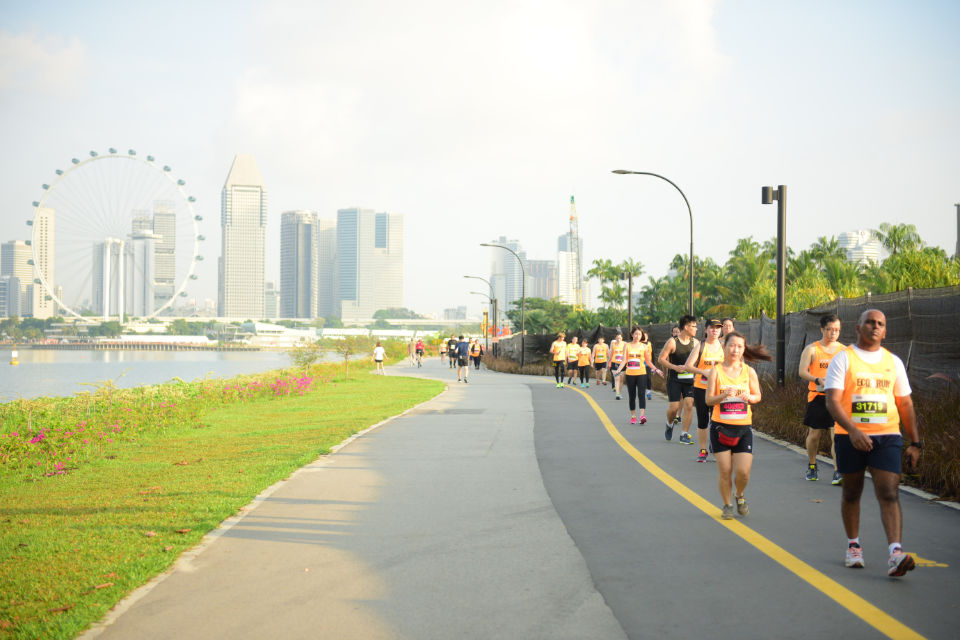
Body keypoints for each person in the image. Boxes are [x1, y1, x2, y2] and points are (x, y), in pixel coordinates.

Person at [825, 309, 920, 577]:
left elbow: (905, 403)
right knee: (852, 492)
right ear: (858, 327)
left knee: (888, 491)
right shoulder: (843, 359)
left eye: (880, 324)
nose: (875, 327)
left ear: (885, 331)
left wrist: (916, 442)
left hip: (887, 436)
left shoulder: (894, 362)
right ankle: (853, 546)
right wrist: (853, 430)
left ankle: (895, 553)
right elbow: (832, 400)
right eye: (870, 322)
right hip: (849, 436)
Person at [705, 331, 771, 519]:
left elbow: (758, 396)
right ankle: (727, 505)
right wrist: (723, 396)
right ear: (724, 347)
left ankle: (739, 494)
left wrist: (749, 397)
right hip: (720, 428)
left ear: (743, 349)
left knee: (743, 473)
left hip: (743, 428)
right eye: (732, 345)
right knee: (725, 471)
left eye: (740, 346)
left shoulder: (749, 371)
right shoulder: (715, 371)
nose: (735, 350)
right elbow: (709, 400)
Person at [799, 314, 843, 483]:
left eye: (837, 330)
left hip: (837, 398)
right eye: (830, 330)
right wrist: (817, 379)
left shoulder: (844, 351)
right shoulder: (812, 349)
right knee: (814, 435)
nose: (833, 333)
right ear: (822, 329)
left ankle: (838, 470)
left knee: (836, 436)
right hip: (817, 396)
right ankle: (812, 465)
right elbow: (802, 371)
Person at [685, 319, 725, 462]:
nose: (715, 331)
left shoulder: (723, 346)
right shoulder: (700, 346)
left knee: (718, 420)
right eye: (712, 328)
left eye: (718, 328)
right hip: (701, 388)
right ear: (706, 329)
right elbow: (688, 366)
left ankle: (715, 446)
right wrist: (704, 372)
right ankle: (703, 450)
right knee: (703, 420)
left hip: (719, 390)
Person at [659, 315, 699, 445]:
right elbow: (661, 359)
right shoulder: (672, 342)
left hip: (690, 380)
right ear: (686, 327)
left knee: (688, 405)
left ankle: (684, 434)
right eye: (694, 326)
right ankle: (669, 423)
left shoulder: (696, 343)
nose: (696, 329)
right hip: (675, 380)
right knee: (674, 408)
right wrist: (675, 367)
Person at [615, 326, 663, 425]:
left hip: (641, 373)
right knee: (632, 396)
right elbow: (624, 360)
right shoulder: (627, 345)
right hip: (630, 374)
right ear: (632, 334)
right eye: (636, 334)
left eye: (640, 334)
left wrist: (656, 369)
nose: (637, 336)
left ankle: (642, 416)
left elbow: (648, 362)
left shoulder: (644, 346)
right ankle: (633, 416)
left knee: (641, 394)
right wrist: (618, 370)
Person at [609, 332, 625, 399]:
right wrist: (609, 362)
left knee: (621, 380)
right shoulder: (613, 344)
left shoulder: (625, 344)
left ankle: (619, 392)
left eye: (620, 338)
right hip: (614, 363)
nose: (618, 339)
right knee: (617, 378)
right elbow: (611, 354)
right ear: (615, 338)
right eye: (617, 338)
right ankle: (617, 394)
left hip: (622, 363)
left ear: (622, 338)